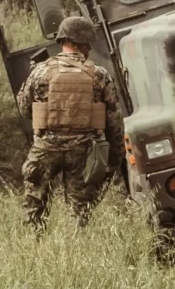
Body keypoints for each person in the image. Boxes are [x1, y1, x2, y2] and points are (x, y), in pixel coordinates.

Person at [18, 12, 116, 228]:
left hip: (46, 148)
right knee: (79, 211)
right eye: (88, 43)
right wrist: (113, 159)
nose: (89, 48)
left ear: (63, 41)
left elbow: (24, 109)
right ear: (80, 44)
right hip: (83, 150)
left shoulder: (40, 71)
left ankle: (31, 249)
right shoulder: (99, 74)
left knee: (34, 205)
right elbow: (113, 119)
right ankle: (77, 251)